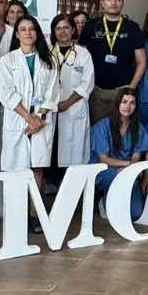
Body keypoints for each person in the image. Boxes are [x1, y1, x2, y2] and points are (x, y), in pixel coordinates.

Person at [0, 15, 59, 195]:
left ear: (37, 32)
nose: (28, 33)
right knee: (17, 169)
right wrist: (29, 118)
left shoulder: (49, 59)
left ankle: (34, 210)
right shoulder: (8, 60)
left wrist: (38, 117)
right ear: (17, 34)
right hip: (19, 119)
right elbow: (7, 93)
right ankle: (17, 210)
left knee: (37, 167)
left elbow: (52, 91)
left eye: (31, 29)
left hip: (41, 120)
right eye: (23, 29)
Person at [80, 0, 147, 123]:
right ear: (102, 2)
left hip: (122, 94)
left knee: (122, 131)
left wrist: (131, 87)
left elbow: (142, 62)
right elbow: (79, 59)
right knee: (97, 132)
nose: (113, 3)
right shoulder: (91, 26)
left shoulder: (132, 27)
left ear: (123, 3)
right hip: (96, 92)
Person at [50, 13, 96, 180]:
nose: (62, 32)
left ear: (73, 30)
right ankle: (52, 182)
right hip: (51, 108)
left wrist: (67, 103)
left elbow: (87, 83)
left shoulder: (83, 54)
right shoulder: (47, 53)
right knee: (52, 147)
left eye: (66, 27)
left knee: (73, 150)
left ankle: (72, 186)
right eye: (58, 28)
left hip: (74, 108)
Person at [92, 87, 148, 221]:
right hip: (106, 170)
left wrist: (131, 166)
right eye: (124, 102)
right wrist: (129, 165)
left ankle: (119, 196)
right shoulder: (103, 126)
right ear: (118, 103)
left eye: (132, 103)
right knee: (120, 178)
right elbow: (104, 159)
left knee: (136, 213)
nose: (128, 106)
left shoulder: (139, 128)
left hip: (127, 171)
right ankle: (103, 201)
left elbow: (136, 156)